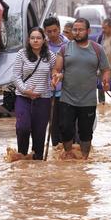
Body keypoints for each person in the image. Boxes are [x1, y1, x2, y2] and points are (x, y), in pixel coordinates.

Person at [52, 18, 110, 160]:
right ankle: (68, 154)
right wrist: (56, 76)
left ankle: (84, 160)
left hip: (88, 99)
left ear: (88, 31)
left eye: (80, 30)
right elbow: (57, 69)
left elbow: (106, 69)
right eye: (75, 30)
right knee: (65, 129)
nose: (77, 33)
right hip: (67, 97)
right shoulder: (65, 48)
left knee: (86, 133)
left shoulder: (97, 49)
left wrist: (106, 80)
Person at [13, 27, 56, 160]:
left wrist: (54, 80)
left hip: (43, 99)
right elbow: (16, 76)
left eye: (38, 38)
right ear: (28, 40)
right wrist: (25, 90)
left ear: (44, 40)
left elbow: (55, 72)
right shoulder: (22, 54)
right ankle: (22, 157)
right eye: (32, 38)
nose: (35, 40)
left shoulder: (50, 56)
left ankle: (37, 163)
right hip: (23, 98)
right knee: (23, 128)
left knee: (39, 133)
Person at [43, 16, 69, 147]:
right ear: (45, 32)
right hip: (49, 91)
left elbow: (71, 68)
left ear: (59, 29)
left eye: (55, 30)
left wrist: (61, 76)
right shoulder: (43, 47)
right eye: (49, 31)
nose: (52, 34)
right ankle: (56, 150)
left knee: (66, 124)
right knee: (53, 124)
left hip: (66, 91)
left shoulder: (68, 45)